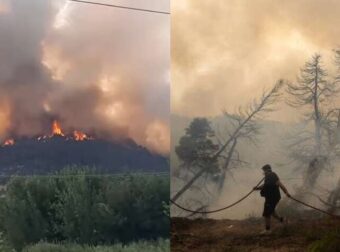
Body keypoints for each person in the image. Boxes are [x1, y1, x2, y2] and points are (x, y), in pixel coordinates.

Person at [253, 164, 291, 234]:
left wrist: (286, 192)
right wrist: (257, 188)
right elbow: (265, 185)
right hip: (272, 197)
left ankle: (268, 230)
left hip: (272, 198)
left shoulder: (272, 175)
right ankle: (283, 220)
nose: (263, 172)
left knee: (266, 213)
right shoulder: (268, 177)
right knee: (272, 212)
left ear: (267, 170)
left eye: (264, 171)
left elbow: (280, 184)